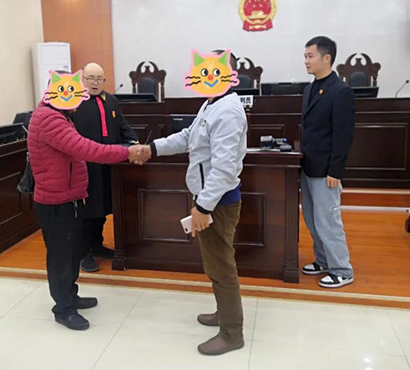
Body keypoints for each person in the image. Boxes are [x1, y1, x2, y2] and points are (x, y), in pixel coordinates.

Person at [141, 50, 247, 356]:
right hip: (209, 198)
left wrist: (203, 207)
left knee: (222, 266)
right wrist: (153, 148)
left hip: (217, 202)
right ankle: (223, 313)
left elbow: (224, 168)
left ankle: (232, 333)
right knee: (214, 262)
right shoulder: (212, 102)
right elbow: (189, 136)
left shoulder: (228, 111)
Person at [28, 70, 147, 331]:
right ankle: (63, 309)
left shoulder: (61, 115)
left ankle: (71, 296)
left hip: (68, 197)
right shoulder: (49, 119)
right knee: (61, 257)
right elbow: (85, 148)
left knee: (72, 252)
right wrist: (127, 151)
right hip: (55, 201)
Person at [71, 62, 138, 272]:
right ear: (82, 79)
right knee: (86, 210)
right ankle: (83, 252)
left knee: (102, 207)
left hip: (109, 164)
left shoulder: (111, 100)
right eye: (91, 78)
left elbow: (122, 125)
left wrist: (133, 140)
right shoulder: (74, 102)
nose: (95, 83)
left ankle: (96, 244)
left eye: (99, 79)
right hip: (84, 165)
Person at [300, 36, 355, 289]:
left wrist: (336, 169)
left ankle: (342, 269)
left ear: (327, 58)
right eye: (305, 56)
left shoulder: (340, 91)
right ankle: (323, 261)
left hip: (326, 171)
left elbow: (344, 135)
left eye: (310, 56)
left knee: (328, 221)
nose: (306, 61)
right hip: (308, 166)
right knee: (312, 220)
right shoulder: (310, 89)